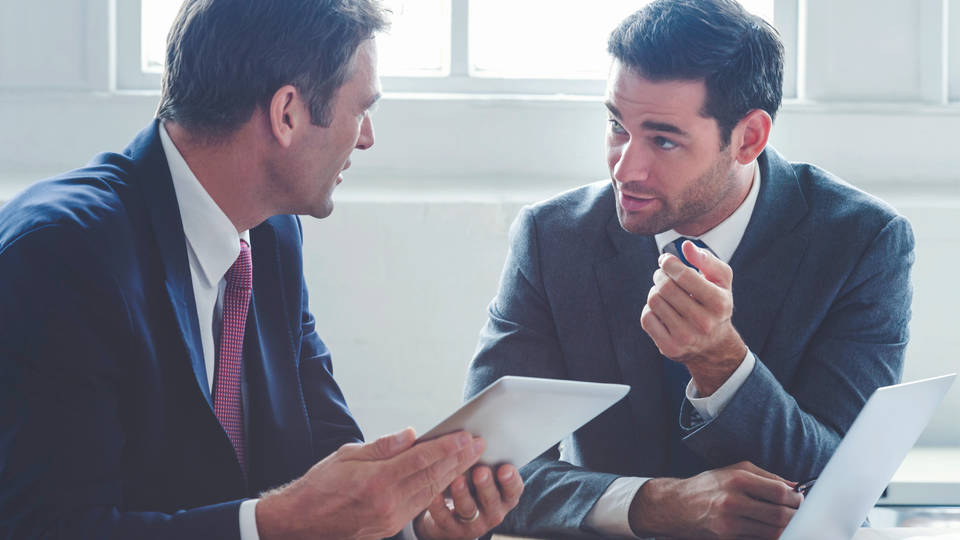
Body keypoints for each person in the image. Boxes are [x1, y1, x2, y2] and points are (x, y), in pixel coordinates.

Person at [0, 1, 522, 538]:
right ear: (287, 114)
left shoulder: (271, 232)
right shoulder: (59, 255)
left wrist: (414, 523)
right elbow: (46, 526)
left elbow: (324, 462)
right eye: (361, 110)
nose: (366, 138)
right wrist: (270, 524)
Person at [465, 0, 914, 538]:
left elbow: (839, 483)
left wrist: (721, 363)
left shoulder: (862, 242)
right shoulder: (554, 238)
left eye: (663, 139)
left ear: (748, 138)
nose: (624, 168)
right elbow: (482, 473)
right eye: (616, 126)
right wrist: (655, 503)